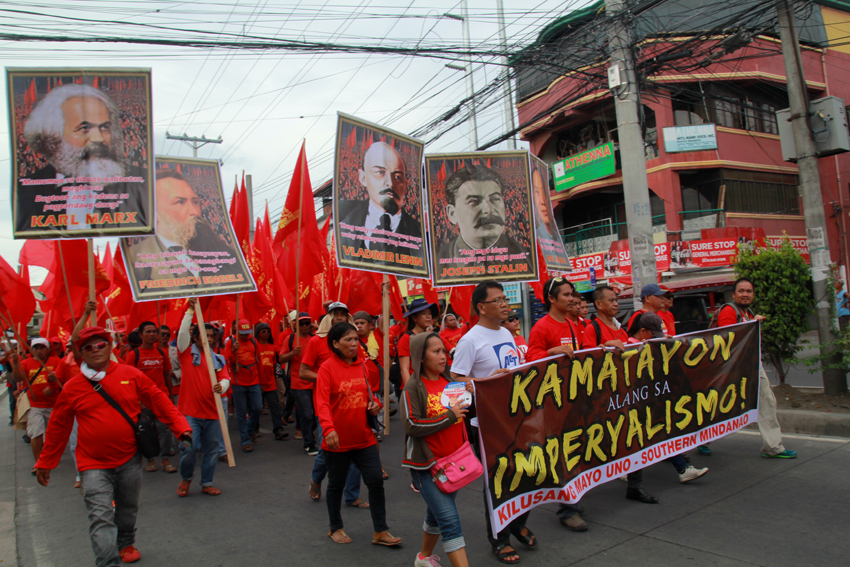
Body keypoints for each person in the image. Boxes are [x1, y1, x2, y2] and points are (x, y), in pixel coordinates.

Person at [34, 326, 191, 567]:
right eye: (88, 347)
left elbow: (158, 399)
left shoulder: (131, 374)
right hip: (92, 463)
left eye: (100, 345)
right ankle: (108, 563)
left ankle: (126, 543)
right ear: (80, 353)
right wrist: (46, 461)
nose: (95, 350)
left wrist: (181, 428)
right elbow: (58, 426)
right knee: (100, 517)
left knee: (127, 509)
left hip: (129, 459)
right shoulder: (73, 387)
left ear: (110, 347)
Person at [450, 281, 531, 565]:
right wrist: (486, 382)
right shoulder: (470, 340)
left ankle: (518, 522)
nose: (505, 303)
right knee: (498, 480)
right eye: (497, 300)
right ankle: (499, 539)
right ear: (481, 307)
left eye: (505, 298)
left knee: (529, 470)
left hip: (516, 416)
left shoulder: (507, 334)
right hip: (486, 422)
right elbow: (455, 381)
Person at [16, 83, 148, 234]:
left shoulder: (143, 184)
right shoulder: (26, 191)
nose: (98, 138)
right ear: (52, 136)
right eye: (84, 128)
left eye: (104, 127)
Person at [315, 322, 400, 547]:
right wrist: (328, 429)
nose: (354, 344)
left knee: (375, 481)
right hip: (337, 440)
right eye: (348, 340)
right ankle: (335, 528)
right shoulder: (327, 368)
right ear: (335, 343)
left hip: (364, 438)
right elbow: (322, 402)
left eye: (355, 339)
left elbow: (368, 395)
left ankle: (380, 531)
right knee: (336, 485)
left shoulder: (362, 365)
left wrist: (374, 404)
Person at [704, 277, 797, 459]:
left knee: (766, 401)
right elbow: (728, 338)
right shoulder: (729, 311)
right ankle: (700, 440)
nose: (745, 295)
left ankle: (772, 447)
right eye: (741, 291)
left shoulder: (747, 312)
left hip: (752, 365)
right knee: (715, 405)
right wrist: (751, 324)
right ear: (734, 294)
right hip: (730, 369)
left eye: (749, 291)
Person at [402, 332, 471, 567]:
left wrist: (478, 388)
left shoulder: (450, 381)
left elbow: (464, 414)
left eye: (444, 350)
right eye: (436, 351)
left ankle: (423, 558)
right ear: (421, 357)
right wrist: (449, 417)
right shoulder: (413, 387)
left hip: (454, 462)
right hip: (429, 467)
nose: (443, 356)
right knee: (450, 520)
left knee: (437, 513)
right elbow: (412, 425)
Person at [124, 169, 243, 288]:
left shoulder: (221, 252)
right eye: (180, 202)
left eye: (195, 202)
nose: (194, 211)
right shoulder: (135, 257)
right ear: (154, 211)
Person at [302, 304, 367, 507]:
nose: (339, 318)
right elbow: (303, 372)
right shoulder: (316, 341)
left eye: (343, 314)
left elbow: (361, 370)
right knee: (327, 451)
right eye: (335, 314)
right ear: (328, 318)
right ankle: (316, 479)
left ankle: (352, 495)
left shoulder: (355, 343)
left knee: (356, 449)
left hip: (353, 405)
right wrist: (328, 379)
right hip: (328, 407)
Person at [338, 141, 425, 262]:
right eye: (380, 172)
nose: (390, 182)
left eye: (398, 177)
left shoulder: (423, 237)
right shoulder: (342, 228)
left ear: (405, 184)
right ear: (363, 177)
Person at [437, 165, 532, 273]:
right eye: (474, 201)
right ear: (452, 214)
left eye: (495, 199)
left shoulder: (528, 259)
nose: (488, 209)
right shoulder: (436, 263)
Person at [123, 320, 177, 473]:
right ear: (140, 335)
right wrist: (136, 400)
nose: (152, 334)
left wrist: (171, 397)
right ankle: (150, 460)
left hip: (161, 398)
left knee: (165, 429)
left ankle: (165, 459)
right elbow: (128, 381)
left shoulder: (162, 353)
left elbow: (167, 376)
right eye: (148, 332)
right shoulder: (133, 355)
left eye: (154, 331)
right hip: (142, 403)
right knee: (145, 432)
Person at [10, 337, 68, 469]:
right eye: (36, 348)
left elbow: (63, 380)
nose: (39, 350)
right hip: (34, 405)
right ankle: (39, 463)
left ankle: (50, 457)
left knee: (53, 435)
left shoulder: (56, 361)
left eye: (42, 347)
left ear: (48, 349)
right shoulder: (25, 363)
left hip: (53, 404)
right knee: (36, 433)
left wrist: (53, 384)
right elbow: (18, 378)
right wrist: (14, 364)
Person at [280, 312, 317, 455]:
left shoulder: (314, 339)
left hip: (314, 381)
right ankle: (309, 443)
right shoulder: (290, 339)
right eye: (301, 323)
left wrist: (316, 327)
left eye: (307, 323)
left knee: (315, 415)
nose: (305, 326)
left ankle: (308, 432)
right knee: (307, 413)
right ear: (295, 324)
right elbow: (281, 358)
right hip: (298, 382)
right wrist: (292, 354)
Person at [225, 319, 263, 453]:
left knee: (258, 407)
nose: (245, 335)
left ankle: (250, 429)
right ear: (237, 331)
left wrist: (261, 380)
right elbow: (227, 363)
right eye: (242, 333)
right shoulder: (231, 342)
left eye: (247, 333)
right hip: (238, 382)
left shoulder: (253, 341)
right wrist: (233, 352)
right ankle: (245, 440)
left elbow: (258, 360)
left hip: (254, 380)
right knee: (241, 413)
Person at [527, 278, 580, 364]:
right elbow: (530, 360)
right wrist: (550, 352)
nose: (571, 299)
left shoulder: (571, 324)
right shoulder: (541, 327)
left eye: (571, 294)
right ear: (551, 298)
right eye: (566, 295)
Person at [397, 298, 441, 388]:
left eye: (429, 313)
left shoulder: (433, 336)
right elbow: (404, 369)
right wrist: (410, 392)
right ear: (414, 318)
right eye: (424, 313)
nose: (428, 316)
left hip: (431, 385)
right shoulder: (406, 339)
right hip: (416, 386)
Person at [255, 322, 288, 440]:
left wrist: (274, 378)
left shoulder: (273, 347)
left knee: (275, 407)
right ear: (258, 333)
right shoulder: (255, 346)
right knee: (257, 407)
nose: (266, 333)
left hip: (270, 382)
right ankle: (254, 428)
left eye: (268, 331)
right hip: (257, 382)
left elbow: (275, 364)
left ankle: (278, 430)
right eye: (263, 331)